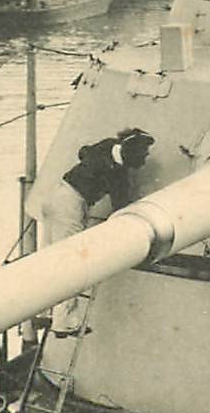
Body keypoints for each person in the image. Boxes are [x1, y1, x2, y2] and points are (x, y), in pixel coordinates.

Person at [40, 128, 154, 333]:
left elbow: (83, 151)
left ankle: (42, 313)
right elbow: (121, 205)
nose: (145, 159)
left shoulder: (107, 145)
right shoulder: (116, 171)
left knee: (50, 257)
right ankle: (63, 322)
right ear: (132, 152)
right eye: (143, 154)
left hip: (56, 195)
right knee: (71, 263)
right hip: (71, 205)